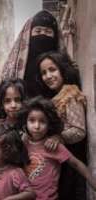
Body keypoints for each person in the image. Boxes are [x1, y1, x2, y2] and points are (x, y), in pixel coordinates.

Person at [18, 96, 96, 200]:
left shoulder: (53, 145)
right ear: (25, 122)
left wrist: (94, 183)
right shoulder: (23, 142)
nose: (36, 126)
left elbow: (77, 164)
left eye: (42, 121)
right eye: (32, 120)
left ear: (49, 124)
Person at [36, 51, 87, 200]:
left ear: (62, 69)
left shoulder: (70, 94)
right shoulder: (55, 97)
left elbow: (79, 130)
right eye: (44, 73)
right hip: (59, 160)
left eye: (52, 69)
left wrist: (59, 137)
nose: (48, 76)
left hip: (72, 160)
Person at [1, 10, 78, 98]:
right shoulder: (17, 67)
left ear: (55, 36)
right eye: (38, 31)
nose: (42, 34)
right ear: (28, 35)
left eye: (48, 32)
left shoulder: (65, 66)